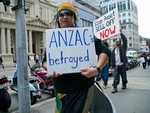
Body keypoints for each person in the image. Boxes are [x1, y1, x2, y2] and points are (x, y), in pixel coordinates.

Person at [42, 2, 110, 113]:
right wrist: (50, 68)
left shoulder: (85, 35)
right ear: (58, 18)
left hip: (82, 89)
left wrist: (97, 69)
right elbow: (45, 61)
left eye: (68, 14)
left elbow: (105, 51)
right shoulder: (53, 38)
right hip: (60, 90)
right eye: (61, 14)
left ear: (74, 18)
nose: (64, 17)